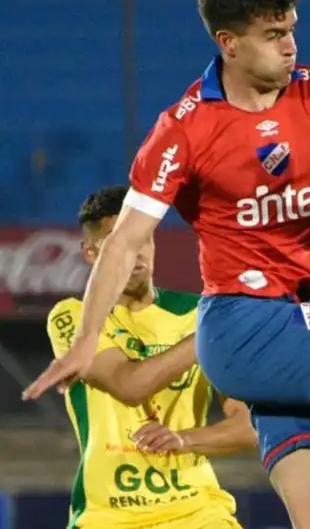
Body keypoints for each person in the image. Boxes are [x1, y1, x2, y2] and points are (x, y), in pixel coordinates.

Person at [24, 0, 310, 529]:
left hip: (302, 325)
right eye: (273, 35)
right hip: (241, 325)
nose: (290, 46)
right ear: (228, 42)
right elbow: (125, 240)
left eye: (292, 29)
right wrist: (86, 340)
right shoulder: (185, 127)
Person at [46, 184, 257, 529]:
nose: (135, 252)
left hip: (198, 513)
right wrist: (211, 333)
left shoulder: (197, 314)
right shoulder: (73, 318)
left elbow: (249, 426)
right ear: (91, 254)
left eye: (141, 238)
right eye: (118, 243)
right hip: (106, 517)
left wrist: (185, 439)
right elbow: (130, 385)